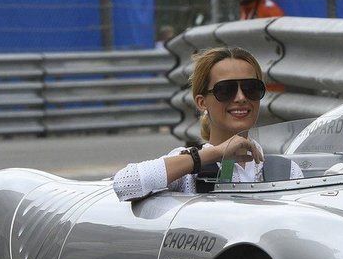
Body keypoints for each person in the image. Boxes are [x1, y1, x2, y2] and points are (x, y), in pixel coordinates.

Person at [113, 46, 302, 201]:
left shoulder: (287, 171)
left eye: (251, 88)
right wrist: (215, 154)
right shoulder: (187, 171)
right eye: (226, 90)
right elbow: (126, 184)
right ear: (201, 102)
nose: (241, 97)